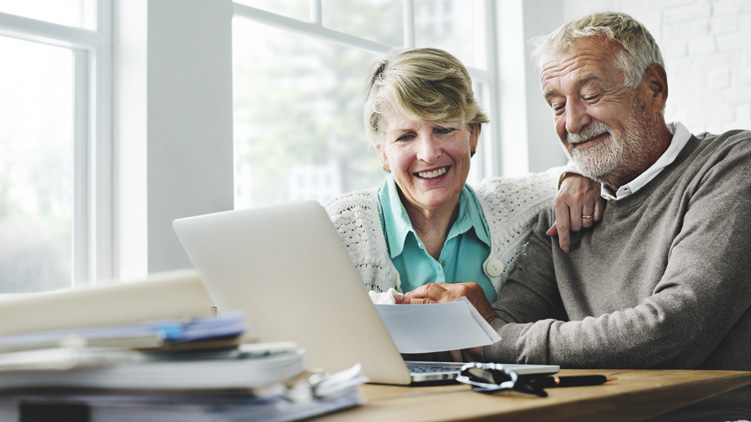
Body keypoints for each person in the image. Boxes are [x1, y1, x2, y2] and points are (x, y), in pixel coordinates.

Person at [398, 12, 751, 420]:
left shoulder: (730, 167)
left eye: (592, 95)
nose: (573, 121)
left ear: (654, 88)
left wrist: (488, 338)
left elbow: (672, 329)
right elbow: (505, 322)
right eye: (557, 105)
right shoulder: (562, 211)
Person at [325, 47, 602, 302]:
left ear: (473, 135)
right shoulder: (342, 225)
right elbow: (309, 317)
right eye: (406, 136)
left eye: (444, 129)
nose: (429, 154)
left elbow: (585, 168)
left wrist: (578, 177)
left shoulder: (513, 207)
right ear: (382, 153)